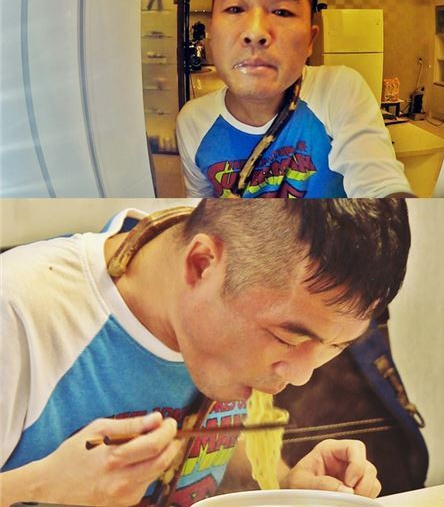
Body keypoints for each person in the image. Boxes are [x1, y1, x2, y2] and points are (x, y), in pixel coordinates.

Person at [0, 199, 411, 506]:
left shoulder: (228, 333)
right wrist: (42, 484)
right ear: (201, 264)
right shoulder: (18, 310)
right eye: (287, 337)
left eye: (336, 345)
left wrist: (289, 489)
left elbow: (217, 459)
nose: (302, 375)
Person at [176, 0, 413, 199]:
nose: (255, 33)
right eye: (235, 9)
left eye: (282, 12)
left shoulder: (339, 89)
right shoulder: (193, 121)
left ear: (310, 41)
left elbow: (381, 186)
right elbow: (202, 207)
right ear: (212, 34)